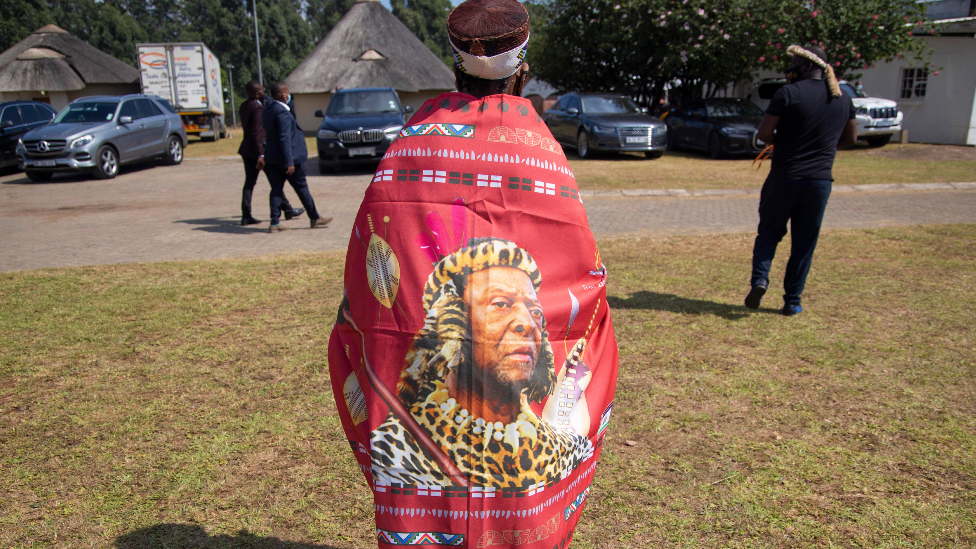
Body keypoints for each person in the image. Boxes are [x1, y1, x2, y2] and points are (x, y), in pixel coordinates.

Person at [328, 0, 618, 546]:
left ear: (455, 68)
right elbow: (583, 286)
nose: (528, 322)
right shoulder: (543, 153)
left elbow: (369, 297)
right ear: (523, 70)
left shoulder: (408, 149)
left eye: (526, 307)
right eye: (499, 306)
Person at [370, 238, 593, 489]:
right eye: (500, 304)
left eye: (535, 310)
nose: (528, 323)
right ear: (454, 325)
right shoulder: (398, 449)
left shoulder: (559, 449)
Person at [746, 44, 858, 316]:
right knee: (804, 241)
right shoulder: (842, 98)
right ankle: (792, 300)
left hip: (785, 176)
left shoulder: (788, 93)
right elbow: (850, 139)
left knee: (769, 232)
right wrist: (824, 148)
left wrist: (783, 142)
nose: (791, 67)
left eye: (795, 61)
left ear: (809, 65)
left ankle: (760, 280)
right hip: (819, 181)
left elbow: (764, 133)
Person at [261, 82, 330, 232]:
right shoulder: (282, 113)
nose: (288, 95)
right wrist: (289, 161)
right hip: (288, 159)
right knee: (301, 187)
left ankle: (274, 222)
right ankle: (314, 217)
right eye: (287, 92)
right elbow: (284, 138)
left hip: (273, 158)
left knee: (276, 190)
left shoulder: (268, 110)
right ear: (282, 95)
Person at [237, 80, 303, 226]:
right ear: (257, 93)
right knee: (275, 183)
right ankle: (285, 210)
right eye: (262, 90)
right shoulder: (257, 109)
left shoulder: (244, 106)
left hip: (247, 149)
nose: (264, 92)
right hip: (258, 151)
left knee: (251, 182)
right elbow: (257, 133)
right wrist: (261, 154)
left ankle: (248, 213)